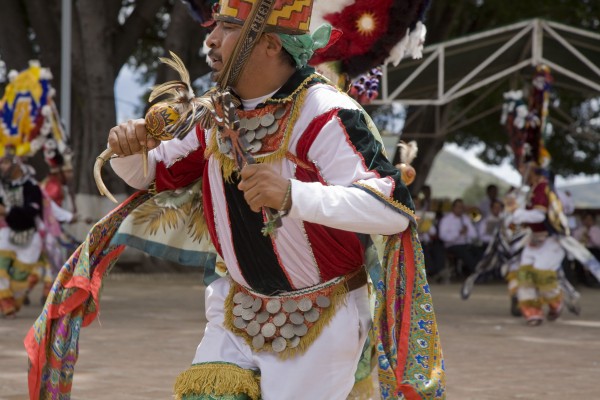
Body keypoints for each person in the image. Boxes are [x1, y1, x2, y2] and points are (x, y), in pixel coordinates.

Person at [26, 1, 444, 399]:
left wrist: (292, 194)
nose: (210, 38)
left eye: (228, 27)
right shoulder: (214, 113)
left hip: (320, 320)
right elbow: (154, 173)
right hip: (234, 313)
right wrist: (128, 148)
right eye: (215, 25)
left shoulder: (324, 112)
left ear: (269, 43)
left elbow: (390, 208)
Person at [510, 163, 565, 326]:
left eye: (523, 169)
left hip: (550, 240)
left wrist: (517, 214)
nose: (521, 172)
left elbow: (540, 216)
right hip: (533, 238)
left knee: (542, 275)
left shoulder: (543, 187)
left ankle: (555, 303)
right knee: (524, 275)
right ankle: (532, 311)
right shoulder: (532, 189)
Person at [0, 146, 44, 318]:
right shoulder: (3, 186)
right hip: (8, 233)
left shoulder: (31, 186)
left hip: (30, 236)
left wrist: (8, 211)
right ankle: (5, 301)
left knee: (20, 281)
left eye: (5, 162)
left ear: (16, 164)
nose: (2, 166)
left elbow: (33, 210)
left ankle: (12, 300)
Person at [438, 198, 481, 277]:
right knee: (465, 253)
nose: (460, 209)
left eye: (462, 207)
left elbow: (474, 235)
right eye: (458, 207)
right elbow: (443, 236)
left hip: (465, 243)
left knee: (478, 251)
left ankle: (481, 271)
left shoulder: (465, 218)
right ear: (453, 208)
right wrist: (458, 233)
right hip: (452, 245)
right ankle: (476, 273)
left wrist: (467, 231)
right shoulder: (446, 220)